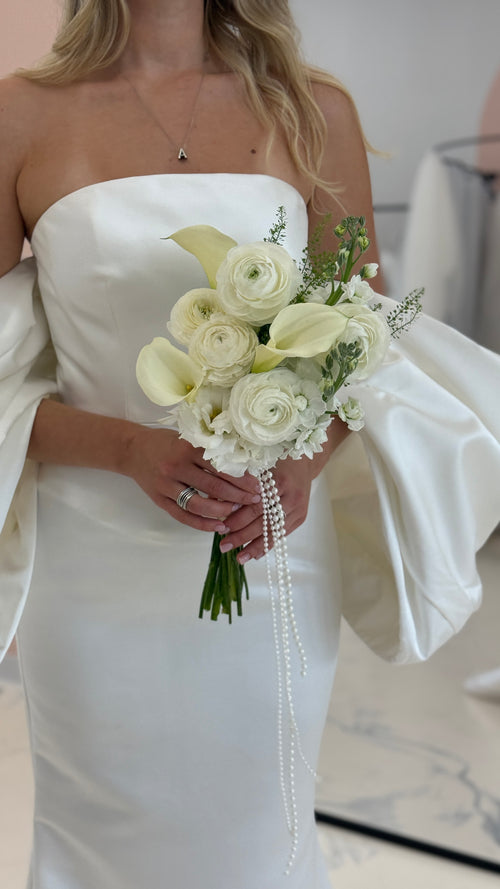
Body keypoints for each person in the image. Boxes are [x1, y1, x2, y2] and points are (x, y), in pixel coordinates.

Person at [1, 2, 500, 888]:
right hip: (90, 562)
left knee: (259, 829)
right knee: (99, 830)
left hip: (268, 541)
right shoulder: (20, 114)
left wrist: (301, 465)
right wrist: (125, 449)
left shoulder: (312, 109)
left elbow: (366, 342)